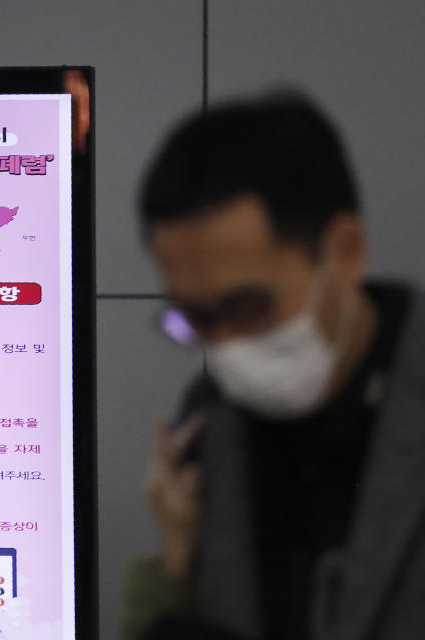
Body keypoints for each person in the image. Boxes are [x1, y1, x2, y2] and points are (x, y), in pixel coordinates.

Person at [122, 91, 425, 640]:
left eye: (247, 308)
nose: (227, 349)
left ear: (346, 251)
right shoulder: (209, 422)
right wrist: (175, 558)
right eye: (197, 319)